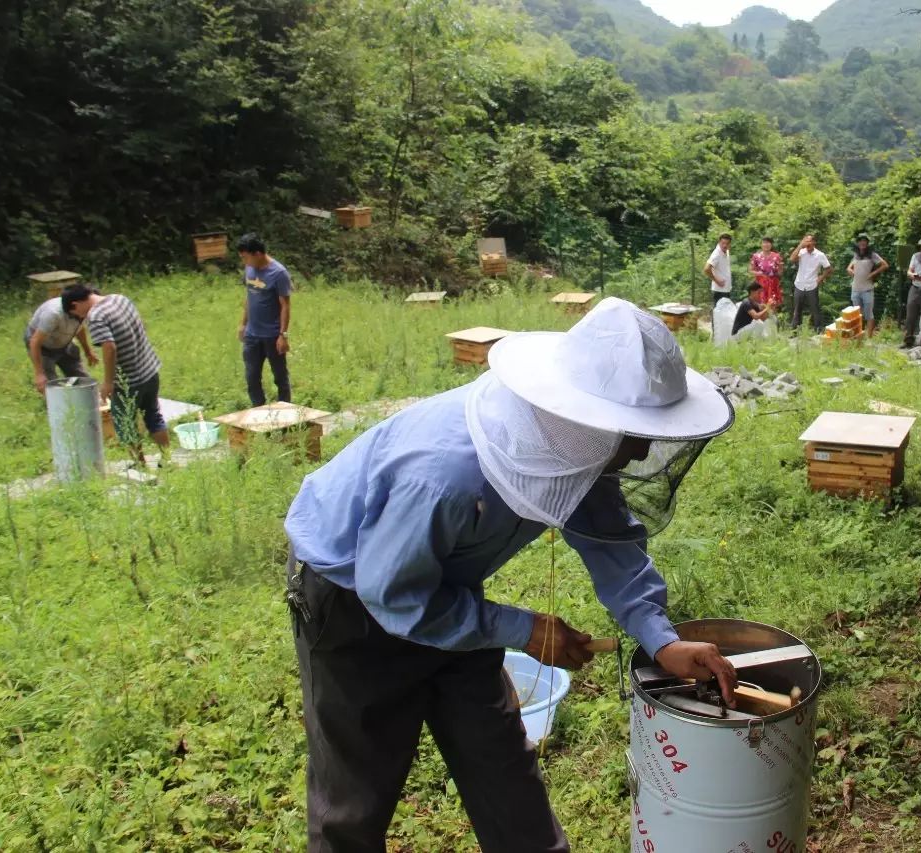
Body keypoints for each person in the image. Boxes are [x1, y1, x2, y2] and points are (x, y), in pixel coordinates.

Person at [284, 297, 739, 851]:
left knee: (499, 757)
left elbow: (608, 537)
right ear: (584, 419)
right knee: (353, 798)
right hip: (353, 598)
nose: (643, 447)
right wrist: (523, 629)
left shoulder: (579, 443)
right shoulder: (442, 477)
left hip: (448, 594)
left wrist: (660, 638)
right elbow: (396, 595)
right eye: (634, 433)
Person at [62, 284, 169, 464]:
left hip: (129, 380)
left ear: (75, 305)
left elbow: (109, 347)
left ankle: (141, 467)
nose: (80, 318)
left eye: (76, 315)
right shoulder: (120, 299)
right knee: (153, 415)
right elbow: (141, 325)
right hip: (150, 370)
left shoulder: (96, 317)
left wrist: (109, 382)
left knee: (125, 424)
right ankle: (167, 459)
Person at [237, 233, 292, 406]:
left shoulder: (279, 273)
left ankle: (286, 412)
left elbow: (285, 305)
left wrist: (283, 335)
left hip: (272, 335)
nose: (244, 262)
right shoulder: (249, 269)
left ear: (258, 254)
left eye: (246, 257)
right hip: (252, 335)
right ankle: (258, 411)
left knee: (280, 377)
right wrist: (243, 323)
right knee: (252, 377)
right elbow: (249, 297)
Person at [24, 295, 98, 394]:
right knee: (50, 387)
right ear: (74, 305)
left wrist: (88, 351)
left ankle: (85, 401)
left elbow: (79, 329)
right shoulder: (53, 314)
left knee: (82, 380)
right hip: (42, 347)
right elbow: (35, 342)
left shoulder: (82, 310)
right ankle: (58, 406)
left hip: (65, 343)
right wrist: (39, 374)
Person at [845, 233, 888, 338]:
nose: (862, 242)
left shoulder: (872, 254)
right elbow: (848, 268)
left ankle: (869, 338)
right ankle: (857, 336)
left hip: (867, 289)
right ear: (858, 243)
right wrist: (851, 271)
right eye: (860, 240)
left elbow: (885, 265)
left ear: (867, 243)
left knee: (869, 315)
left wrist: (872, 274)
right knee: (856, 315)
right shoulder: (856, 255)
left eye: (864, 240)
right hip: (855, 289)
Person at [789, 234, 832, 331]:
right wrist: (800, 245)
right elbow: (792, 259)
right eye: (805, 241)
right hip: (799, 284)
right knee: (797, 309)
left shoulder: (820, 255)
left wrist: (821, 278)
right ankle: (795, 331)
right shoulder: (801, 252)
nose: (807, 243)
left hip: (812, 285)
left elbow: (828, 269)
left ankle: (818, 330)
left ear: (813, 242)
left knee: (815, 309)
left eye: (809, 241)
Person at [750, 237, 784, 307]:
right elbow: (750, 270)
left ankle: (772, 317)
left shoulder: (776, 256)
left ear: (771, 245)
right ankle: (761, 317)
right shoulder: (756, 256)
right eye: (764, 243)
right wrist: (758, 273)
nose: (766, 245)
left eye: (768, 243)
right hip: (760, 284)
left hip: (773, 283)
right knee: (760, 305)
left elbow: (780, 273)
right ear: (761, 244)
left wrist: (781, 268)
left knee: (773, 304)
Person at [704, 233, 733, 308]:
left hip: (726, 289)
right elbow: (706, 269)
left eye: (727, 243)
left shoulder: (726, 251)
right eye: (723, 243)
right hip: (719, 290)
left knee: (724, 314)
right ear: (719, 242)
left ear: (730, 244)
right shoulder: (716, 254)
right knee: (718, 314)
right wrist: (717, 280)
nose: (725, 245)